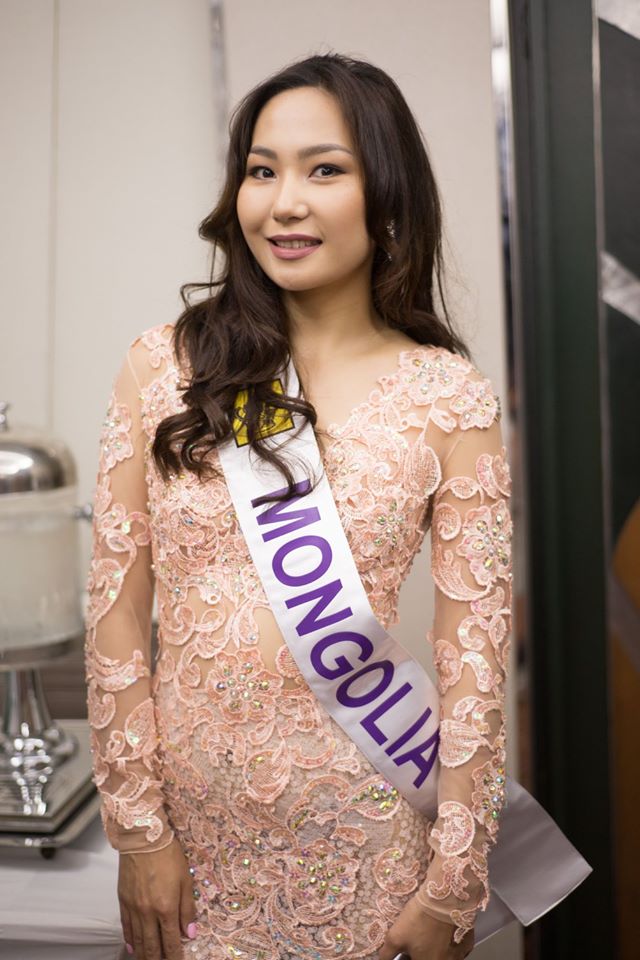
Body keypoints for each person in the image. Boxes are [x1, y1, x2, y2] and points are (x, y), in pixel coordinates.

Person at [84, 52, 512, 960]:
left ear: (386, 197)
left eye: (324, 170)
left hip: (369, 845)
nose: (283, 203)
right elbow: (115, 614)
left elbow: (474, 662)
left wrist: (455, 880)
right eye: (261, 170)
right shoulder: (163, 367)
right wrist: (137, 831)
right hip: (190, 858)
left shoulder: (449, 399)